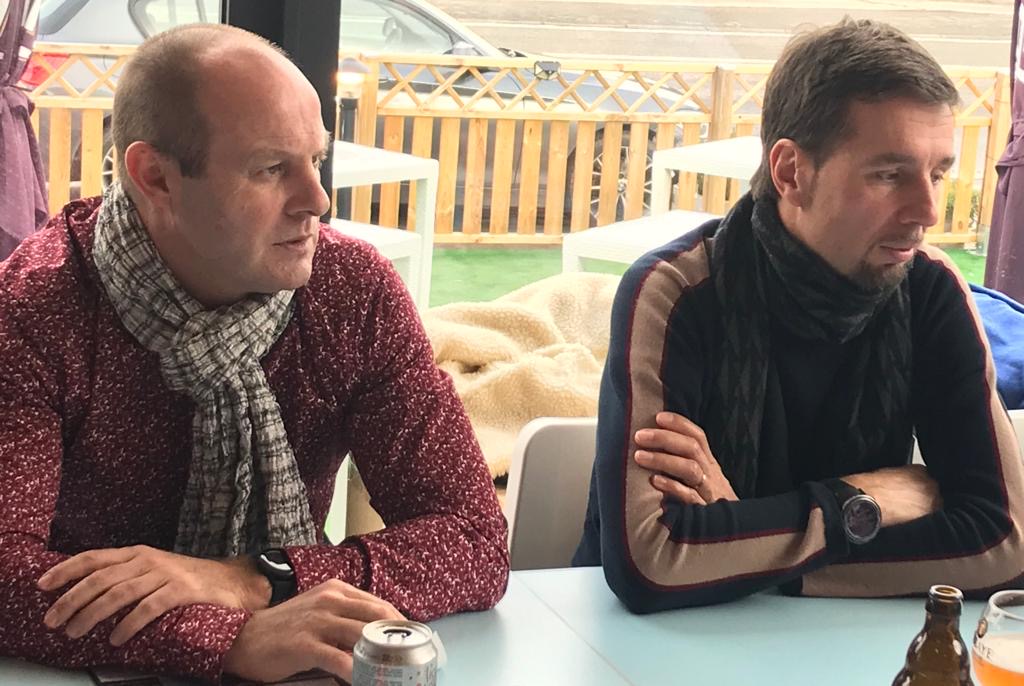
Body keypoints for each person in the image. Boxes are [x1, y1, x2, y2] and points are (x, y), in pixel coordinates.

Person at [0, 23, 508, 683]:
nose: (317, 200)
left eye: (317, 160)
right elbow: (6, 576)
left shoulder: (353, 292)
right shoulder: (35, 310)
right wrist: (230, 639)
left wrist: (254, 579)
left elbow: (473, 539)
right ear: (155, 177)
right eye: (271, 169)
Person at [573, 19, 1024, 612]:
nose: (929, 210)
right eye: (889, 175)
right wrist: (858, 502)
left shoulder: (929, 290)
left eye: (938, 173)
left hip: (826, 641)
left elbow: (1003, 544)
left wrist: (742, 542)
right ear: (791, 172)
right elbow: (652, 562)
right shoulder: (676, 293)